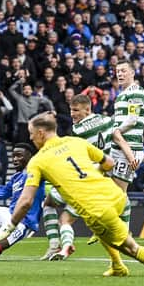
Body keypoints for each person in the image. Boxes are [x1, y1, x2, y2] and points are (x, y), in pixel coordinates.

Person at [0, 112, 144, 277]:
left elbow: (26, 201)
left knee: (131, 247)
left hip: (98, 209)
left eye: (30, 134)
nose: (30, 138)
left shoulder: (38, 161)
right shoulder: (76, 142)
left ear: (40, 133)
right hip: (115, 195)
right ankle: (116, 265)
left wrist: (8, 228)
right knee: (98, 228)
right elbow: (109, 163)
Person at [42, 95, 115, 261]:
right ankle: (64, 247)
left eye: (75, 110)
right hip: (99, 180)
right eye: (70, 110)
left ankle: (56, 246)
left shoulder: (78, 130)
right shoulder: (107, 121)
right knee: (66, 218)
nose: (72, 114)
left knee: (50, 206)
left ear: (87, 109)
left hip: (79, 178)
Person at [109, 61, 144, 233]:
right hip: (118, 147)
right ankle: (119, 227)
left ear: (132, 72)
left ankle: (123, 230)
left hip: (129, 147)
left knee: (119, 191)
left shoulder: (135, 91)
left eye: (123, 71)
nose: (120, 74)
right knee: (113, 189)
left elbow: (133, 119)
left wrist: (116, 130)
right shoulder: (122, 93)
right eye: (117, 71)